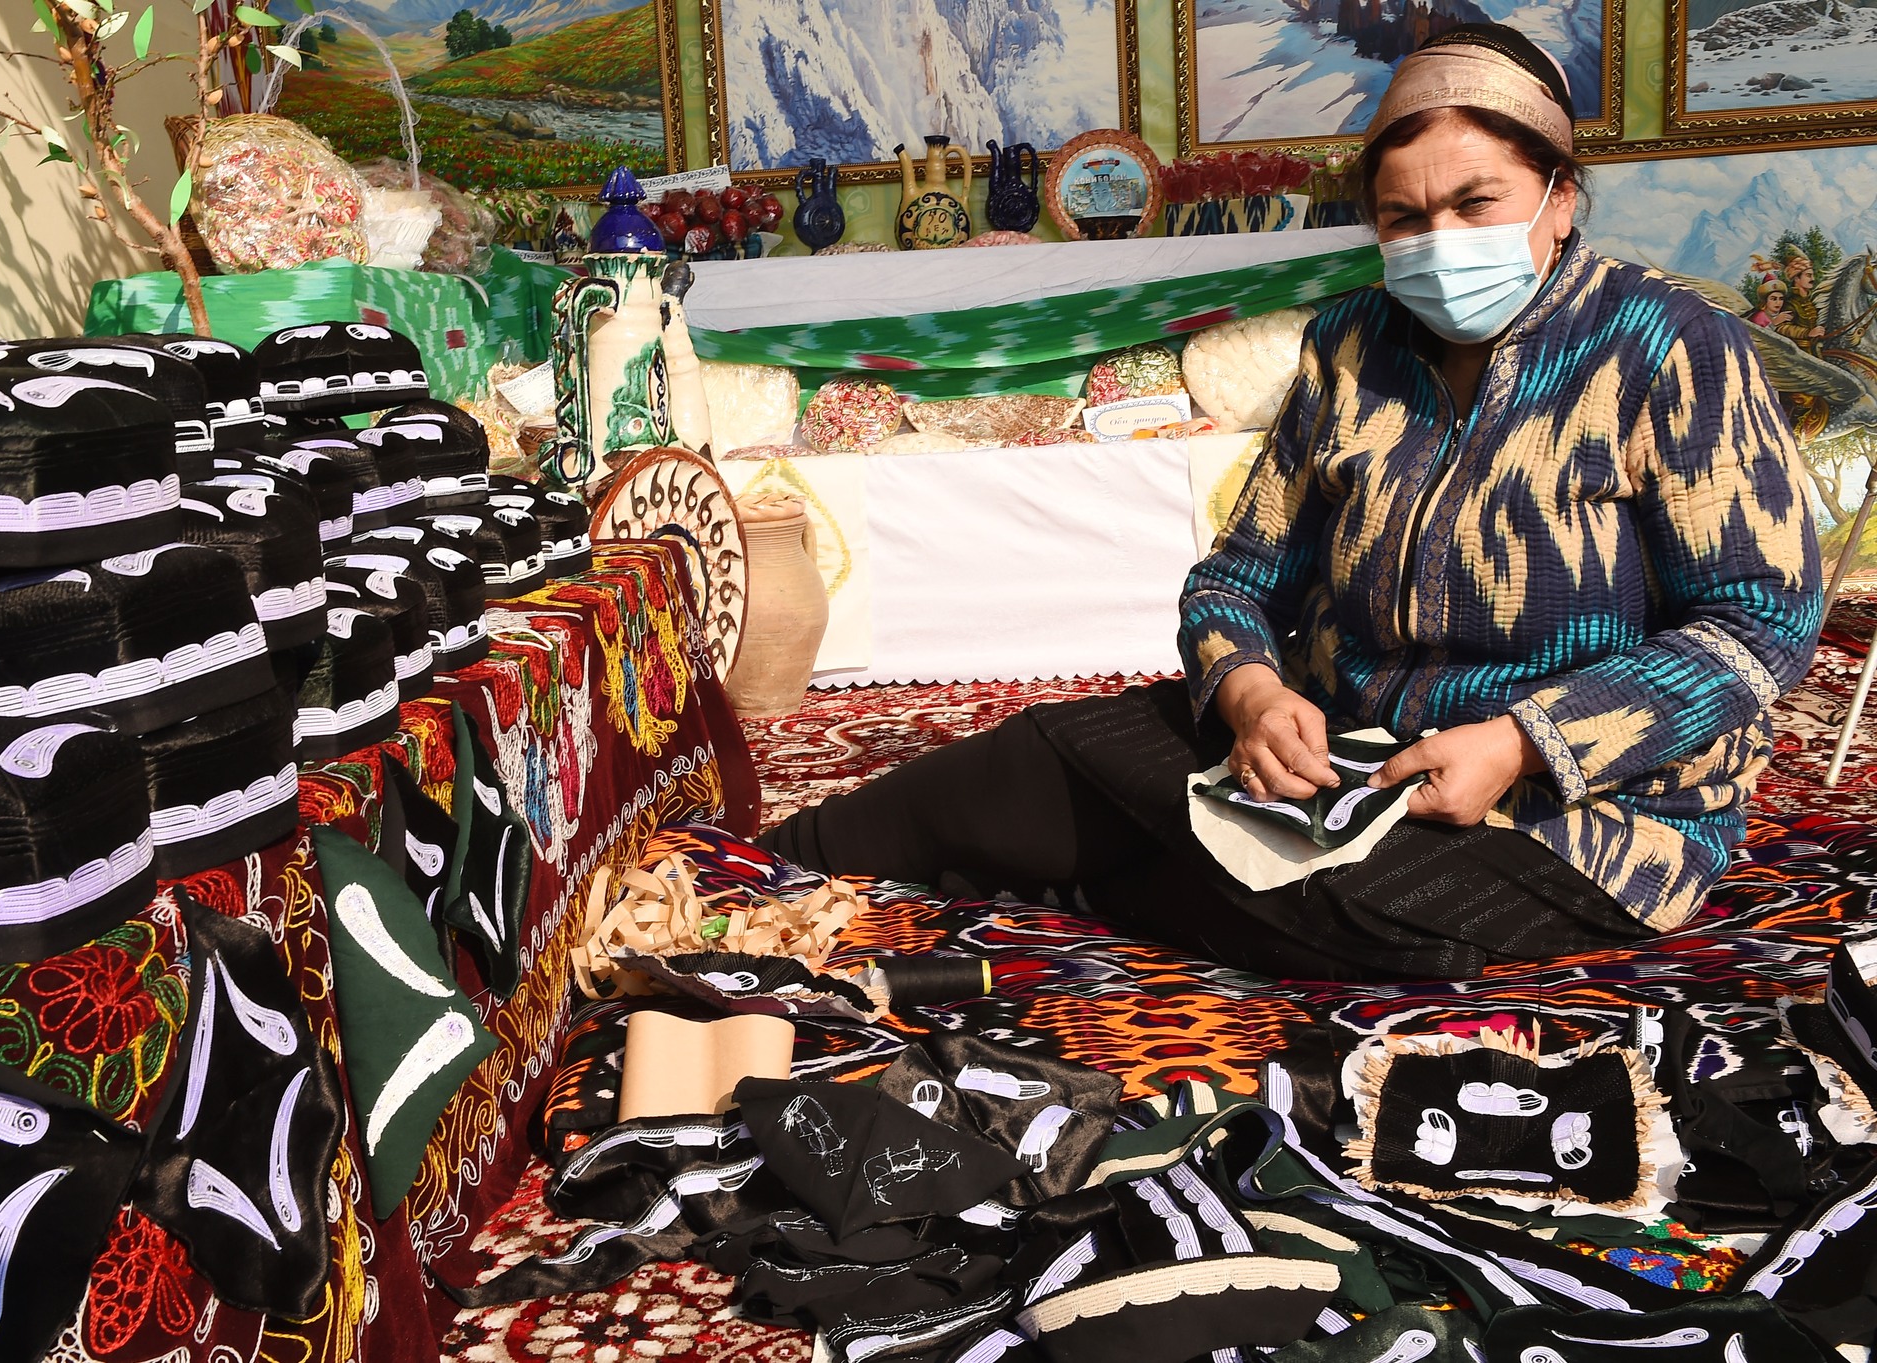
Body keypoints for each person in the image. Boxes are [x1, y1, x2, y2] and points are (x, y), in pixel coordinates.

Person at [760, 23, 1822, 983]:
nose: (1439, 240)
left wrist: (1521, 741)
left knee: (1353, 911)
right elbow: (1236, 577)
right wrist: (1254, 698)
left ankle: (1105, 874)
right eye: (1403, 217)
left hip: (1581, 805)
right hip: (1340, 750)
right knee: (1034, 756)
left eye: (1474, 204)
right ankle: (749, 867)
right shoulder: (1351, 344)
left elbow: (1757, 624)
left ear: (1560, 197)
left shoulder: (1669, 347)